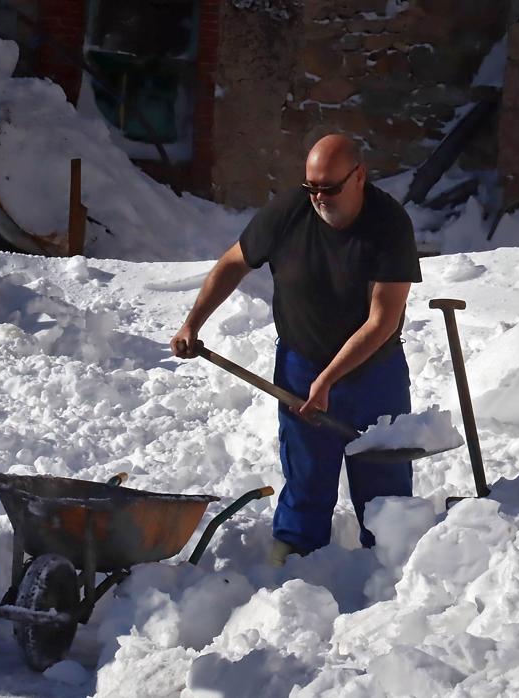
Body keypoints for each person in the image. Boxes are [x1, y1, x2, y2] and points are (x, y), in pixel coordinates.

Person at [170, 133, 421, 563]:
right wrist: (193, 322)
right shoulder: (289, 212)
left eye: (330, 187)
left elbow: (382, 321)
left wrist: (329, 379)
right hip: (302, 361)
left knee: (383, 476)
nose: (319, 197)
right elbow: (233, 262)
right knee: (306, 471)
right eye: (311, 187)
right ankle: (293, 561)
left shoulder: (388, 224)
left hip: (373, 371)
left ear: (358, 176)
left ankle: (392, 569)